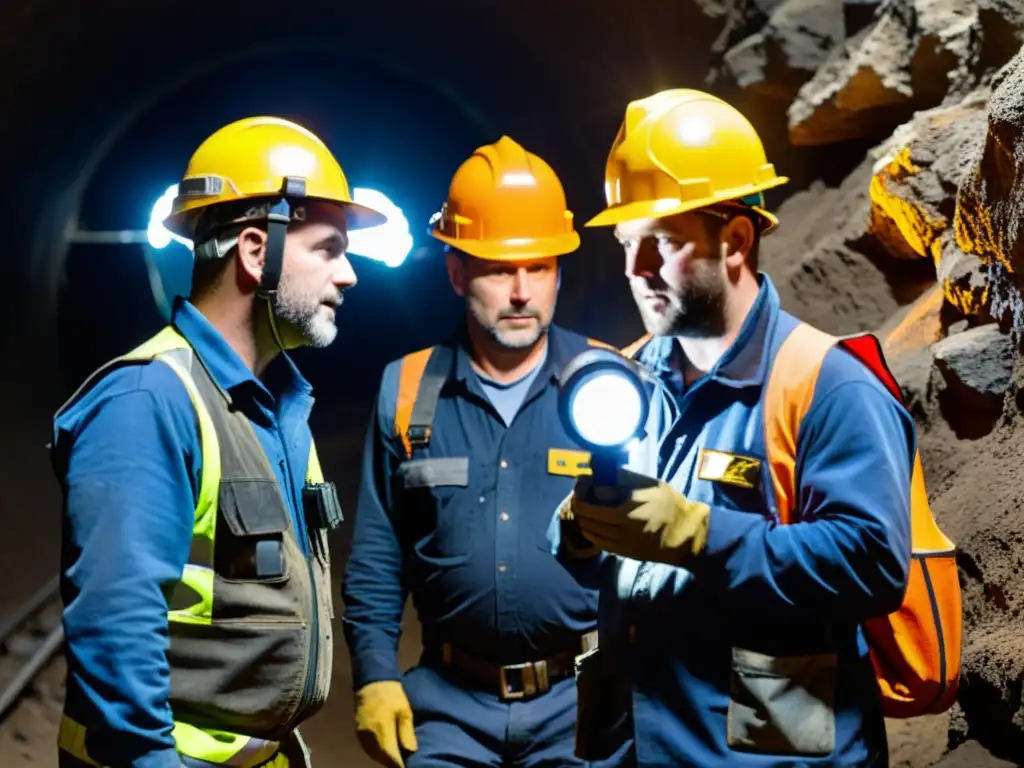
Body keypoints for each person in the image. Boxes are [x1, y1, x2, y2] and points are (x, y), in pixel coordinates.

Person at [551, 88, 961, 767]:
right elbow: (596, 547)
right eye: (627, 245)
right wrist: (576, 526)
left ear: (736, 239)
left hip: (769, 751)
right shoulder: (630, 376)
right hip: (639, 745)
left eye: (660, 243)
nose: (635, 270)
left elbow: (871, 563)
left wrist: (699, 533)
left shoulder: (827, 384)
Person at [51, 116, 388, 768]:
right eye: (329, 249)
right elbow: (117, 633)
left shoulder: (279, 406)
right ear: (257, 251)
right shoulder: (149, 401)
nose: (348, 275)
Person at [342, 136, 614, 768]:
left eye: (539, 266)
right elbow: (378, 560)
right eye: (497, 268)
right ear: (456, 270)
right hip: (448, 709)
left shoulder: (609, 385)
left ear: (559, 271)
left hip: (583, 704)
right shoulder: (407, 390)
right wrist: (375, 675)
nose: (521, 291)